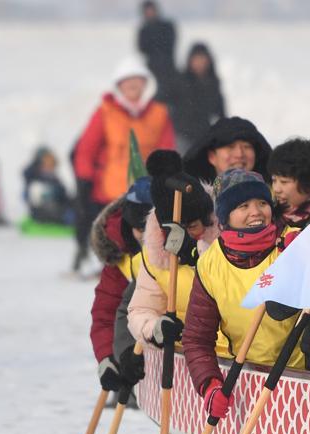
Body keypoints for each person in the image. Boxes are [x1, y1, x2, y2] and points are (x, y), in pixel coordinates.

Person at [182, 169, 305, 418]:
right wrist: (210, 385)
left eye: (262, 203)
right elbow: (196, 339)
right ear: (226, 216)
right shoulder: (210, 264)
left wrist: (305, 260)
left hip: (304, 378)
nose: (256, 212)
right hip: (246, 377)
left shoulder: (293, 243)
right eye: (243, 205)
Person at [73, 56, 175, 274]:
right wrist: (84, 179)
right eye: (127, 81)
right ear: (119, 85)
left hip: (145, 190)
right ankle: (102, 266)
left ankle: (144, 271)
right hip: (109, 191)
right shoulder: (105, 112)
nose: (133, 85)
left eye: (138, 80)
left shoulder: (159, 113)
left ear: (146, 84)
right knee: (113, 236)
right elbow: (86, 149)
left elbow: (167, 151)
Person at [127, 151, 218, 351]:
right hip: (185, 358)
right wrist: (155, 329)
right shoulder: (154, 255)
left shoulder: (226, 248)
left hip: (230, 357)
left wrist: (199, 255)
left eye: (193, 225)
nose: (188, 234)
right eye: (179, 229)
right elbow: (141, 310)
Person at [89, 178, 154, 395]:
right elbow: (105, 313)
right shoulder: (120, 258)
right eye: (140, 228)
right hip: (133, 353)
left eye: (153, 228)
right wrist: (108, 357)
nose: (147, 236)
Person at [170, 43, 226, 153]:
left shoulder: (213, 82)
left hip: (203, 135)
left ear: (209, 61)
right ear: (190, 61)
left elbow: (220, 110)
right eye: (196, 60)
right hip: (181, 134)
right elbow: (167, 103)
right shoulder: (180, 80)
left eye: (203, 60)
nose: (199, 63)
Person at [184, 116, 272, 185]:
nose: (239, 154)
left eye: (247, 146)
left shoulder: (275, 198)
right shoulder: (187, 201)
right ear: (212, 157)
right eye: (231, 147)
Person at [268, 138, 310, 228]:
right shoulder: (268, 216)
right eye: (274, 180)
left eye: (284, 182)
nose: (276, 189)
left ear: (309, 183)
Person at [137, 0, 177, 103]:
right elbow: (141, 48)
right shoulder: (144, 29)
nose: (150, 13)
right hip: (152, 70)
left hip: (168, 69)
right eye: (147, 11)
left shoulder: (167, 26)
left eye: (151, 10)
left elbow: (170, 44)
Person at [22, 147, 72, 225]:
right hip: (45, 212)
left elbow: (63, 195)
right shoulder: (36, 180)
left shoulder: (52, 177)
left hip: (57, 208)